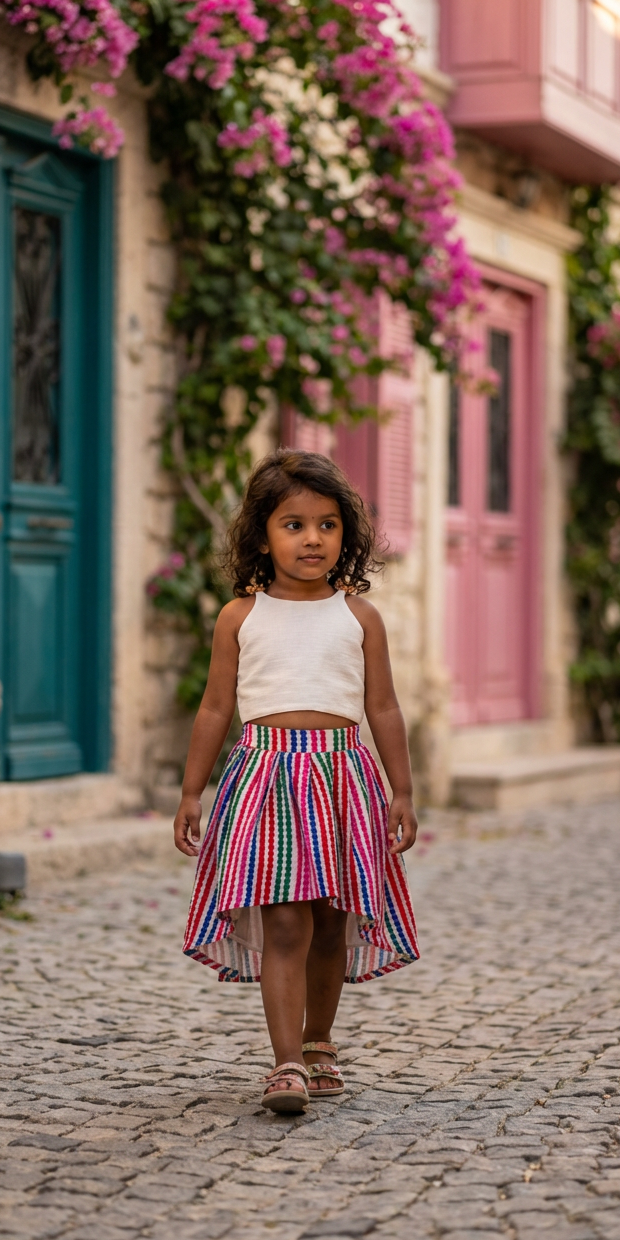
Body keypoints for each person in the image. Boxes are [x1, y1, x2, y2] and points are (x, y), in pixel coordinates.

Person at [175, 448, 420, 1113]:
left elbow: (384, 708)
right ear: (262, 535)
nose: (312, 538)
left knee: (332, 922)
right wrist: (191, 790)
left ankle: (319, 1043)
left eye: (327, 524)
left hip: (343, 778)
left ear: (347, 535)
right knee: (285, 921)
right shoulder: (240, 616)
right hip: (265, 779)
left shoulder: (359, 618)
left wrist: (401, 789)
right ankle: (284, 1063)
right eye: (293, 524)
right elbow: (215, 708)